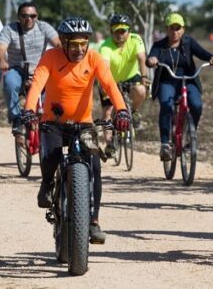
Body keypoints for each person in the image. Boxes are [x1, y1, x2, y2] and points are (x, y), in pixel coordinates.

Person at [19, 16, 130, 244]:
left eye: (83, 43)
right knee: (51, 156)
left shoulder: (94, 58)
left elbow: (110, 85)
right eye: (74, 44)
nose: (79, 49)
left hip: (84, 124)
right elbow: (38, 83)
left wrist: (122, 110)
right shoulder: (50, 57)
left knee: (95, 167)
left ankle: (94, 222)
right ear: (64, 42)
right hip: (53, 122)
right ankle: (47, 183)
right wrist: (30, 109)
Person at [146, 13, 213, 160]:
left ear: (183, 29)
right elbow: (150, 58)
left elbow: (202, 53)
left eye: (178, 28)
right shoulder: (159, 46)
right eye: (172, 28)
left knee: (196, 104)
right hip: (167, 81)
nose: (175, 32)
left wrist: (212, 58)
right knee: (167, 106)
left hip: (188, 80)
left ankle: (190, 134)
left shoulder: (188, 42)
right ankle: (165, 144)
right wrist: (152, 60)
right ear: (167, 29)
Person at [0, 2, 60, 138]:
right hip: (18, 69)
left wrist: (65, 54)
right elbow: (1, 48)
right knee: (9, 82)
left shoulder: (44, 27)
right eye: (24, 16)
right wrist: (2, 60)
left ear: (37, 17)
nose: (29, 19)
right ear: (18, 17)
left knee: (53, 89)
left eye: (33, 16)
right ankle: (16, 119)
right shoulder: (9, 29)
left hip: (40, 70)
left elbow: (58, 43)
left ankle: (50, 120)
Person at [98, 14, 150, 122]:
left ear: (129, 31)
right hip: (111, 80)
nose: (119, 34)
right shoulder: (105, 46)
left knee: (141, 90)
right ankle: (109, 138)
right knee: (107, 114)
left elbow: (141, 58)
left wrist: (144, 76)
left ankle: (134, 111)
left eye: (123, 31)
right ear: (111, 32)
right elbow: (105, 66)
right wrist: (104, 85)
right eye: (116, 31)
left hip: (131, 76)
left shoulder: (136, 39)